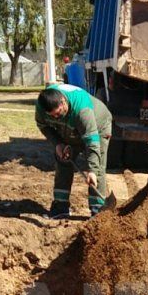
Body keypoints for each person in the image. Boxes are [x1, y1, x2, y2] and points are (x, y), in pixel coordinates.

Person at [35, 84, 112, 219]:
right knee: (63, 159)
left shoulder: (82, 110)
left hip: (98, 127)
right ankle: (60, 207)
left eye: (58, 113)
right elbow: (43, 126)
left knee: (97, 168)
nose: (56, 117)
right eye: (52, 116)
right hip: (70, 128)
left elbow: (92, 142)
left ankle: (98, 210)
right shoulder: (42, 106)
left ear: (63, 102)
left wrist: (92, 170)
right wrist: (58, 143)